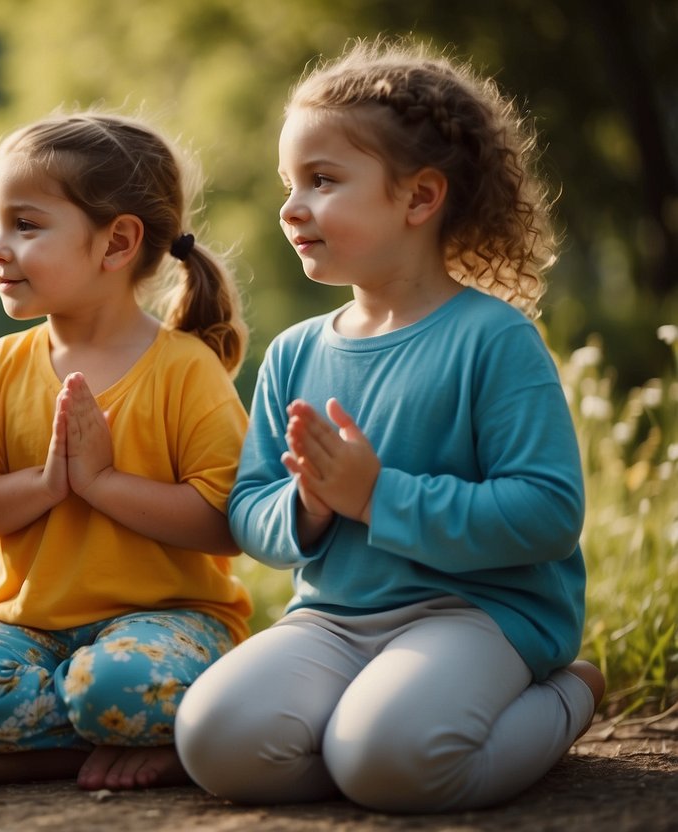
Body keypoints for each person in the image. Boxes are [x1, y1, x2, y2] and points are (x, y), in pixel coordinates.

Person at [174, 38, 606, 813]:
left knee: (391, 761)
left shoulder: (492, 339)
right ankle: (371, 757)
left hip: (477, 615)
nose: (292, 206)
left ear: (417, 198)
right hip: (335, 619)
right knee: (213, 739)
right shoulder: (296, 350)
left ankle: (567, 696)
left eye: (323, 180)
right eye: (289, 183)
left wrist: (377, 496)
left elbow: (546, 514)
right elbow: (248, 509)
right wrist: (305, 507)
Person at [0, 111, 253, 792]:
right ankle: (95, 743)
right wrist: (48, 484)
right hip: (25, 632)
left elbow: (223, 523)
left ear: (116, 242)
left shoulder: (185, 368)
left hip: (169, 624)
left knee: (118, 682)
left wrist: (102, 482)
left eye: (25, 226)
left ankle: (106, 735)